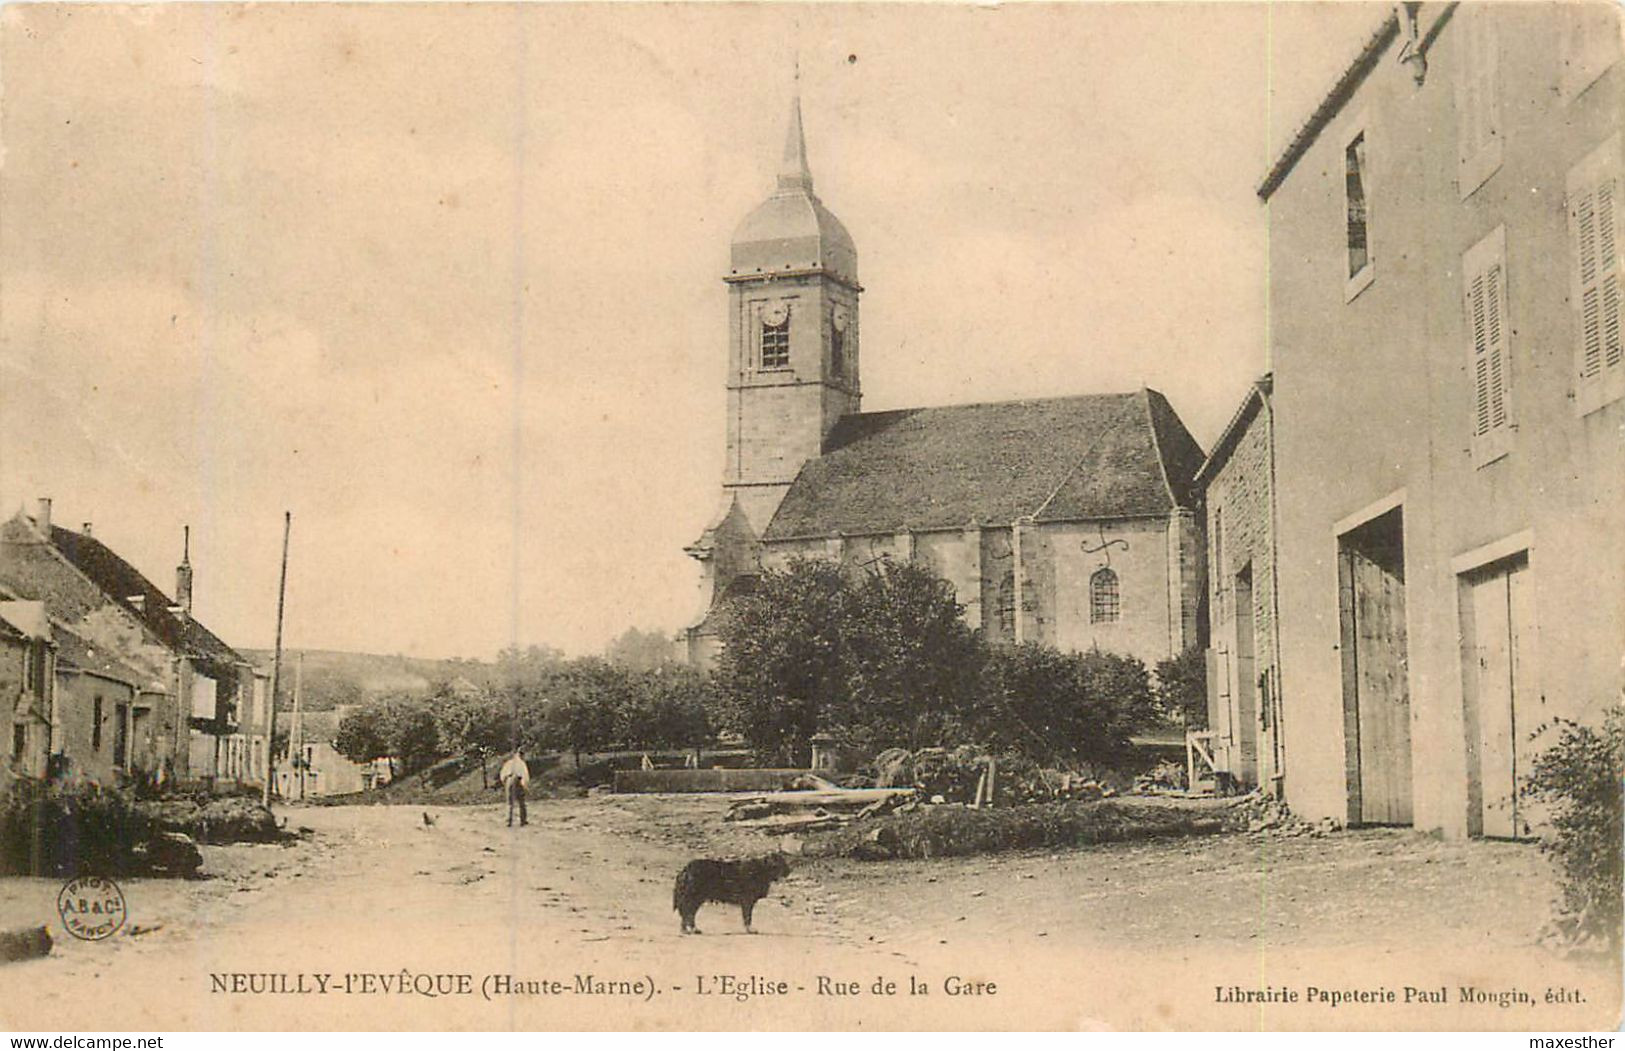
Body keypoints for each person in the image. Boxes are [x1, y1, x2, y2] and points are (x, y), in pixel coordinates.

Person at [499, 749, 530, 827]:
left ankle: (508, 821)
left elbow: (503, 774)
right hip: (518, 780)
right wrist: (525, 785)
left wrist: (505, 782)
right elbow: (524, 776)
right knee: (521, 802)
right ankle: (523, 820)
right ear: (522, 755)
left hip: (509, 780)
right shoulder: (522, 763)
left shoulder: (509, 762)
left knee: (509, 802)